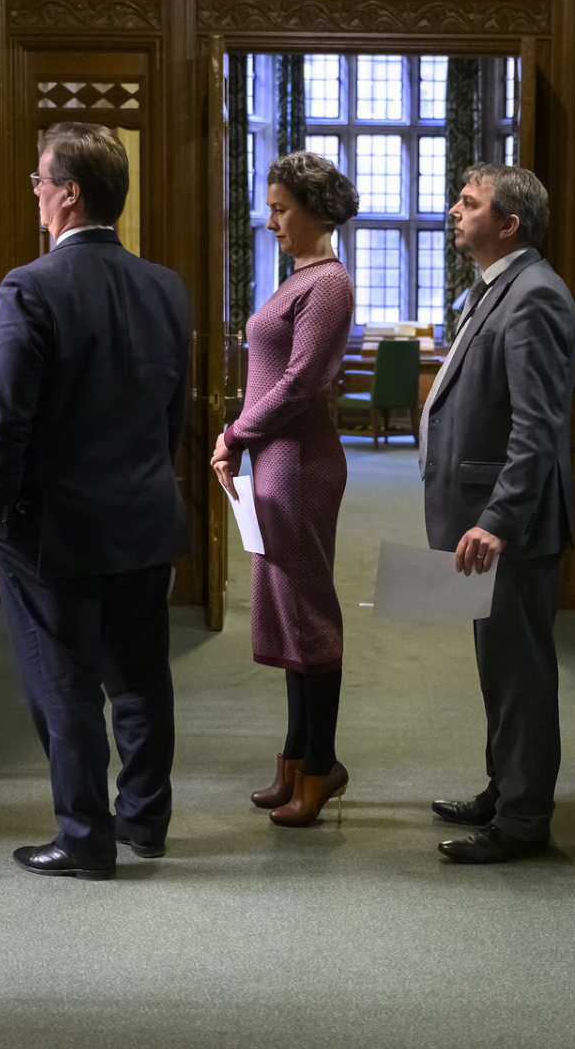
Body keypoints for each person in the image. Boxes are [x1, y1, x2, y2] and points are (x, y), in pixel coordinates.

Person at [0, 121, 190, 880]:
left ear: (67, 194)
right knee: (140, 678)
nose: (33, 192)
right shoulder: (165, 286)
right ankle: (146, 822)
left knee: (64, 685)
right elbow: (173, 414)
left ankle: (85, 839)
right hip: (144, 517)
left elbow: (3, 420)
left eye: (39, 180)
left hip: (53, 531)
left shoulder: (30, 286)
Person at [420, 164, 575, 864]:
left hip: (508, 527)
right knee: (498, 666)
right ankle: (503, 788)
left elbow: (536, 429)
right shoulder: (497, 288)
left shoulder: (534, 296)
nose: (455, 211)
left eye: (469, 203)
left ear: (509, 224)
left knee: (520, 673)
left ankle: (522, 821)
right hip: (484, 522)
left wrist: (498, 519)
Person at [211, 151, 359, 827]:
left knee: (308, 615)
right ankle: (295, 759)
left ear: (314, 211)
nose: (270, 221)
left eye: (280, 209)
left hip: (297, 462)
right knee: (286, 613)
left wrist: (237, 432)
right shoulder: (295, 278)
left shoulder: (328, 283)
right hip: (273, 460)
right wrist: (243, 437)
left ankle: (321, 767)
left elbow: (299, 384)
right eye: (270, 208)